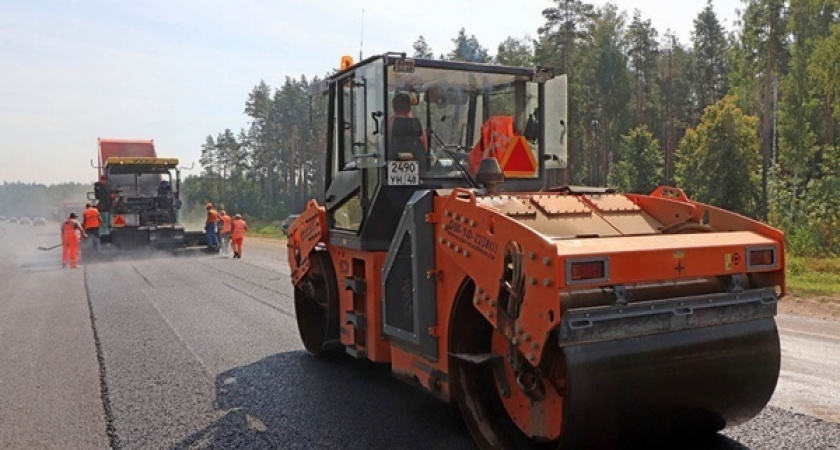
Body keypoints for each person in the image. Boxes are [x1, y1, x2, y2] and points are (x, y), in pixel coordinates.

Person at [388, 92, 428, 167]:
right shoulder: (415, 123)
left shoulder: (388, 123)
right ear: (409, 107)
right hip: (415, 165)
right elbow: (424, 144)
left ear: (393, 107)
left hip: (391, 162)